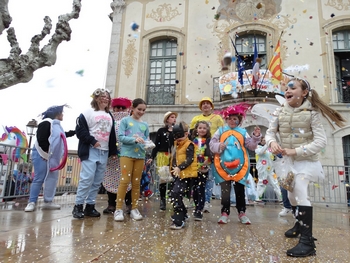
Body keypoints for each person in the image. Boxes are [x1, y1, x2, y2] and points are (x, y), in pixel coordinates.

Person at [266, 77, 346, 257]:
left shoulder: (312, 113)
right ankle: (298, 222)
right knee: (292, 197)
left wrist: (296, 151)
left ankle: (307, 242)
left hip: (306, 162)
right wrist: (272, 143)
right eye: (286, 88)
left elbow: (321, 141)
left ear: (303, 93)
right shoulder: (279, 112)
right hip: (287, 164)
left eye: (292, 87)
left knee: (300, 192)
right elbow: (270, 133)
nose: (288, 90)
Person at [210, 102, 261, 225]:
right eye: (230, 118)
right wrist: (218, 146)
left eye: (235, 119)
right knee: (225, 191)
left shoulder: (243, 132)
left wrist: (255, 137)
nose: (232, 121)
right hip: (223, 165)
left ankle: (242, 213)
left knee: (240, 190)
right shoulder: (220, 130)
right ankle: (225, 213)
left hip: (240, 166)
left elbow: (251, 146)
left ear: (239, 120)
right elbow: (212, 144)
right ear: (226, 119)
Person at [72, 89, 118, 219]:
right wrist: (92, 141)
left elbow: (112, 134)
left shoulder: (109, 115)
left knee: (97, 181)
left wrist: (113, 151)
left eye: (107, 97)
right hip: (90, 150)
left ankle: (90, 205)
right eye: (102, 96)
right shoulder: (87, 113)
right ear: (96, 98)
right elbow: (79, 130)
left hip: (104, 151)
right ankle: (78, 205)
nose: (105, 99)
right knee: (87, 178)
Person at [25, 104, 73, 212]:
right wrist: (46, 152)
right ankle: (32, 202)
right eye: (62, 112)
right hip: (42, 154)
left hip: (51, 157)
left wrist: (73, 132)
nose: (63, 115)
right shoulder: (46, 122)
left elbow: (61, 135)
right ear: (57, 114)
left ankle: (48, 201)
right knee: (39, 178)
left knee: (52, 178)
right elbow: (42, 137)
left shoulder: (56, 126)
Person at [113, 98, 150, 222]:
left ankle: (134, 208)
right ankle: (118, 209)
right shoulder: (125, 121)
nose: (141, 112)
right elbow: (121, 137)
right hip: (126, 155)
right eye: (139, 109)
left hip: (140, 156)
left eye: (143, 110)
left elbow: (146, 140)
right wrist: (134, 140)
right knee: (124, 181)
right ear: (132, 108)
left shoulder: (145, 125)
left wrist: (149, 144)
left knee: (136, 182)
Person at [190, 97, 224, 212]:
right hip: (198, 152)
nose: (205, 105)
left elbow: (223, 133)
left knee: (209, 178)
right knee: (195, 179)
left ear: (211, 106)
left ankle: (207, 201)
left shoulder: (217, 118)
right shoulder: (196, 118)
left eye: (207, 104)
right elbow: (191, 134)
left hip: (211, 152)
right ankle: (197, 201)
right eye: (203, 104)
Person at [102, 97, 133, 215]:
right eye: (117, 107)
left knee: (127, 179)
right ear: (112, 108)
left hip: (127, 155)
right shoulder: (108, 120)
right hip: (111, 157)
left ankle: (129, 204)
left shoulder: (131, 121)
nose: (119, 109)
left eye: (122, 107)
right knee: (110, 179)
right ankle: (111, 204)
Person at [169, 121, 198, 229]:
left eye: (179, 136)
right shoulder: (177, 144)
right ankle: (183, 213)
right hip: (178, 174)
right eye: (175, 137)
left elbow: (190, 159)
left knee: (176, 194)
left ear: (186, 134)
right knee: (173, 194)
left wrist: (179, 167)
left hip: (187, 175)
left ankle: (179, 219)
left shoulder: (189, 144)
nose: (177, 138)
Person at [150, 111, 177, 210]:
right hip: (163, 156)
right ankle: (162, 200)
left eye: (174, 117)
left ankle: (174, 198)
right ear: (167, 119)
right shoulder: (161, 131)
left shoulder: (176, 131)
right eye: (172, 117)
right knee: (163, 179)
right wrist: (152, 157)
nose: (174, 119)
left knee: (174, 177)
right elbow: (156, 145)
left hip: (173, 156)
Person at [191, 121, 212, 221]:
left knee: (201, 189)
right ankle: (196, 206)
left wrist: (206, 162)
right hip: (194, 167)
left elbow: (210, 153)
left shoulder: (208, 140)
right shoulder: (193, 140)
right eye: (200, 128)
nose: (202, 130)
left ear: (207, 130)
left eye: (204, 128)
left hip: (203, 168)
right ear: (196, 129)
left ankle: (199, 209)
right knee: (194, 189)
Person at [254, 136, 282, 203]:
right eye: (263, 140)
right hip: (262, 169)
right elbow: (260, 152)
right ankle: (258, 198)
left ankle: (281, 199)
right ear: (260, 141)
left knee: (275, 183)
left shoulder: (269, 149)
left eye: (265, 140)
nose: (264, 141)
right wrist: (267, 144)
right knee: (262, 183)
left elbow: (275, 155)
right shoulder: (257, 147)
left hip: (270, 169)